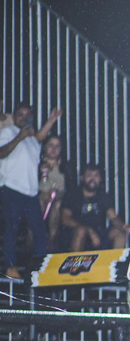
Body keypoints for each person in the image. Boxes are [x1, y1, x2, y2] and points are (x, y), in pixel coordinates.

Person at [0, 103, 61, 278]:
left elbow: (39, 137)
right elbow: (1, 152)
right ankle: (10, 268)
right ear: (14, 117)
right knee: (11, 229)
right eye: (20, 114)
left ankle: (39, 268)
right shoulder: (8, 132)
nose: (24, 117)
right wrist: (19, 137)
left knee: (40, 232)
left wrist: (52, 120)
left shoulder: (32, 139)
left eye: (28, 114)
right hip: (11, 188)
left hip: (31, 193)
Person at [60, 163, 130, 251]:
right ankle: (75, 259)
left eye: (96, 175)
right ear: (82, 178)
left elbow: (113, 217)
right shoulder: (73, 195)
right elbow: (65, 218)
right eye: (89, 175)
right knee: (81, 230)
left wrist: (122, 226)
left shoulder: (103, 195)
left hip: (97, 235)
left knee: (119, 233)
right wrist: (88, 229)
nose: (93, 178)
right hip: (76, 233)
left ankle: (115, 260)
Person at [38, 135, 73, 247]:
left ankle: (52, 239)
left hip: (59, 199)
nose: (54, 149)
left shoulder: (66, 166)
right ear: (45, 147)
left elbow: (70, 189)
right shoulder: (37, 164)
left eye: (57, 146)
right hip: (40, 197)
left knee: (57, 204)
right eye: (51, 145)